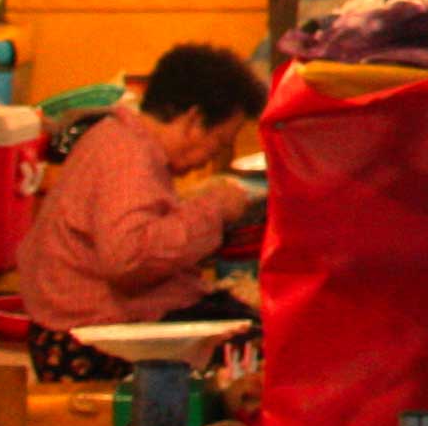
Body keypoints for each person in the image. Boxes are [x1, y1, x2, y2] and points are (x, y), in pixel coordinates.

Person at [18, 44, 266, 333]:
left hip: (88, 318)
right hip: (90, 331)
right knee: (255, 339)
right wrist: (214, 209)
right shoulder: (128, 157)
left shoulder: (121, 138)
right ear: (194, 121)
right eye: (220, 142)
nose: (212, 156)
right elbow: (129, 261)